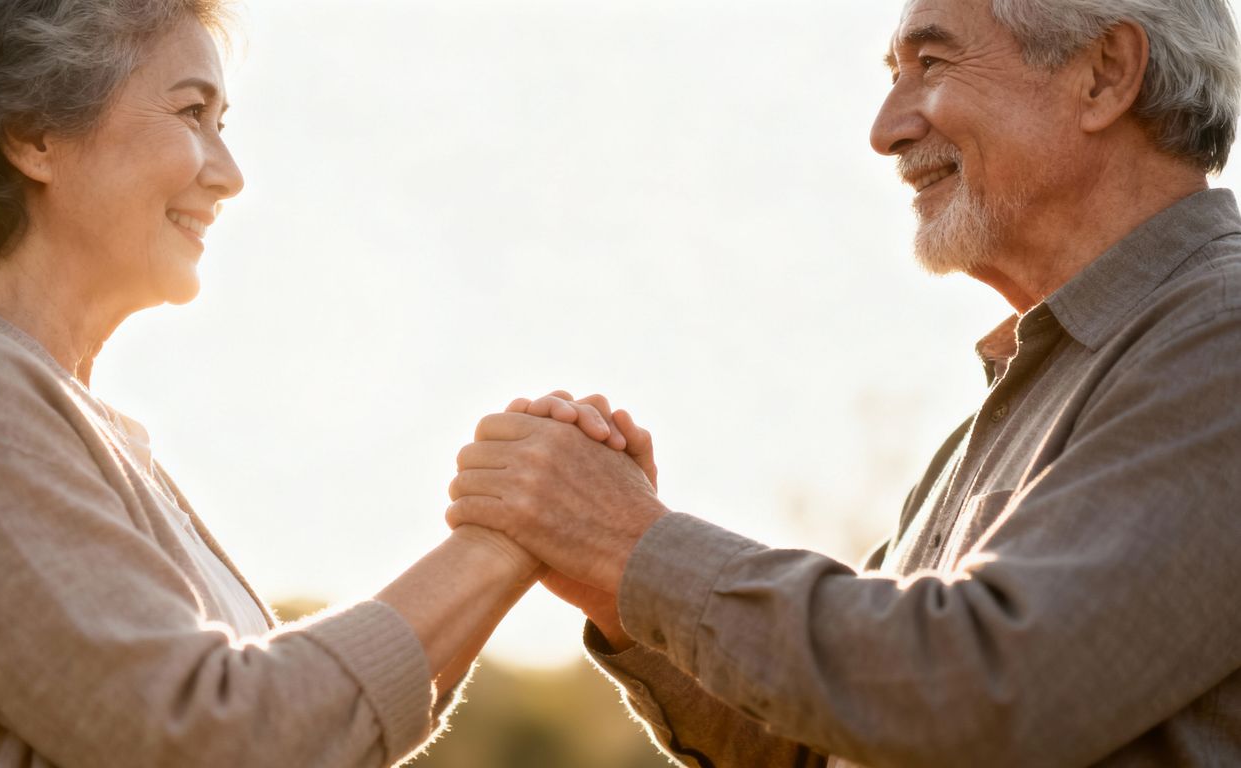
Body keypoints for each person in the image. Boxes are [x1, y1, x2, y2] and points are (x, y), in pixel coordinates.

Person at [449, 0, 1241, 765]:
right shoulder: (1009, 415)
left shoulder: (1223, 334)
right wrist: (619, 588)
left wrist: (633, 545)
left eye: (932, 62)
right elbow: (841, 742)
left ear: (1105, 73)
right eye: (895, 75)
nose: (885, 130)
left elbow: (986, 694)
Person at [0, 1, 625, 764]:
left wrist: (530, 533)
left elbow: (297, 732)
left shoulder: (38, 406)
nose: (230, 177)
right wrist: (504, 538)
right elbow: (210, 739)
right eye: (191, 112)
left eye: (221, 123)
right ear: (32, 135)